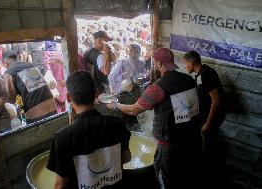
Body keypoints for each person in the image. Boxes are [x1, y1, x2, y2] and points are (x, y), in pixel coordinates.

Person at [107, 48, 202, 189]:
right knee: (185, 177)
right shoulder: (189, 80)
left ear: (158, 63)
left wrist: (116, 105)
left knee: (166, 181)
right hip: (191, 140)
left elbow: (134, 110)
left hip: (170, 146)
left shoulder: (158, 87)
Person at [47, 71, 131, 189]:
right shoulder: (116, 123)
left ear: (68, 98)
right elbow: (127, 157)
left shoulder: (63, 138)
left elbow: (60, 185)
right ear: (96, 93)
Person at [182, 50, 226, 187]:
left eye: (185, 64)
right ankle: (207, 174)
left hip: (213, 117)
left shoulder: (206, 74)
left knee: (208, 146)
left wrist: (207, 123)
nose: (185, 67)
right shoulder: (199, 75)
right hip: (205, 116)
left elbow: (216, 100)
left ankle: (210, 179)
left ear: (191, 62)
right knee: (206, 144)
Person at [2, 50, 57, 125]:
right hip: (50, 103)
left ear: (6, 63)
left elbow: (11, 98)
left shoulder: (9, 73)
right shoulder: (30, 65)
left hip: (35, 111)